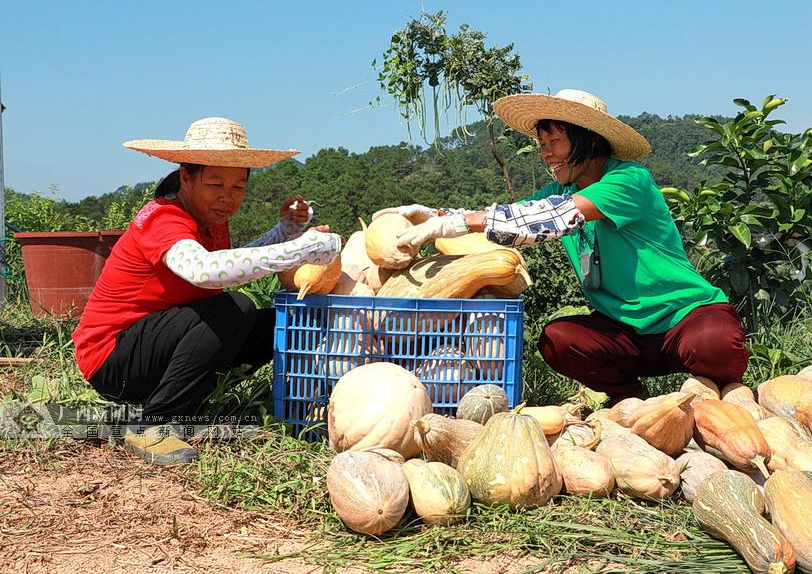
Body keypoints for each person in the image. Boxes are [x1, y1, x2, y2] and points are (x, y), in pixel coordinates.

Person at [380, 89, 748, 402]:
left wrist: (455, 223)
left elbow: (553, 218)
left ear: (587, 139)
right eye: (542, 144)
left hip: (684, 318)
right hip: (624, 332)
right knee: (560, 340)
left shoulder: (629, 179)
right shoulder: (560, 190)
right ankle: (630, 402)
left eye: (554, 142)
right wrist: (435, 214)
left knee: (713, 341)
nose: (546, 153)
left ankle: (716, 397)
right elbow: (517, 214)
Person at [73, 117, 342, 466]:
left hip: (157, 348)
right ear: (186, 176)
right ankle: (151, 424)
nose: (227, 198)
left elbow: (230, 262)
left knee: (278, 323)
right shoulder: (162, 218)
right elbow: (206, 271)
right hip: (112, 358)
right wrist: (298, 250)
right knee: (234, 309)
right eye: (215, 183)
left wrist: (286, 230)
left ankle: (193, 402)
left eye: (238, 188)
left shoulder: (209, 222)